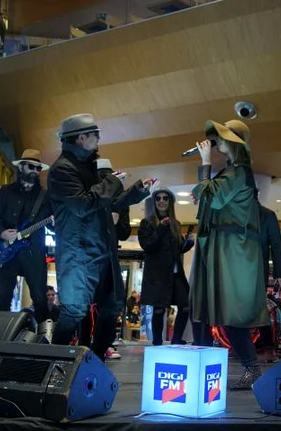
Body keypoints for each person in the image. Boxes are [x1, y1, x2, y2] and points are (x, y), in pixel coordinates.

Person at [47, 113, 152, 361]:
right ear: (81, 138)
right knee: (75, 310)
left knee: (113, 304)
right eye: (95, 135)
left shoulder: (88, 166)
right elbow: (83, 205)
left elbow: (106, 202)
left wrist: (137, 192)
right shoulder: (62, 170)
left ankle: (94, 358)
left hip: (101, 249)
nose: (98, 139)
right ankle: (53, 360)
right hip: (78, 252)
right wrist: (112, 182)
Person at [190, 119, 268, 389]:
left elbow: (213, 197)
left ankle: (252, 369)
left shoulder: (239, 172)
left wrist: (205, 162)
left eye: (222, 137)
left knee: (231, 311)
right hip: (225, 245)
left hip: (233, 247)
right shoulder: (233, 172)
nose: (217, 141)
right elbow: (210, 197)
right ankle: (235, 367)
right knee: (215, 309)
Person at [78, 158, 138, 360]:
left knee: (110, 304)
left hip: (109, 259)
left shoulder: (120, 198)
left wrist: (116, 222)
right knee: (88, 305)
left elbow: (124, 232)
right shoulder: (89, 195)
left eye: (107, 175)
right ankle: (84, 346)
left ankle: (100, 347)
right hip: (89, 257)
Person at [0, 149, 52, 323]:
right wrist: (2, 233)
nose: (35, 171)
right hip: (7, 252)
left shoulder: (45, 196)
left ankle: (43, 337)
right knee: (3, 299)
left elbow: (52, 225)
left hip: (33, 253)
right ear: (21, 167)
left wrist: (56, 221)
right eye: (31, 166)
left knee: (40, 299)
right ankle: (2, 334)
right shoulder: (5, 192)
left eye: (38, 168)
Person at [138, 188, 194, 346]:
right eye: (158, 198)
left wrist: (188, 244)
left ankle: (176, 339)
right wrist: (161, 228)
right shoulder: (147, 223)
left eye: (165, 198)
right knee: (159, 310)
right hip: (157, 275)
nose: (161, 201)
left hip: (175, 274)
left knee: (185, 306)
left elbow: (178, 249)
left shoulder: (175, 224)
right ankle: (157, 342)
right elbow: (147, 245)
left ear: (170, 202)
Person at [256, 190, 281, 362]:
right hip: (237, 269)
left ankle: (268, 346)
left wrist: (280, 274)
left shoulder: (267, 215)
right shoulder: (235, 214)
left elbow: (276, 245)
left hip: (258, 269)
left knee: (260, 308)